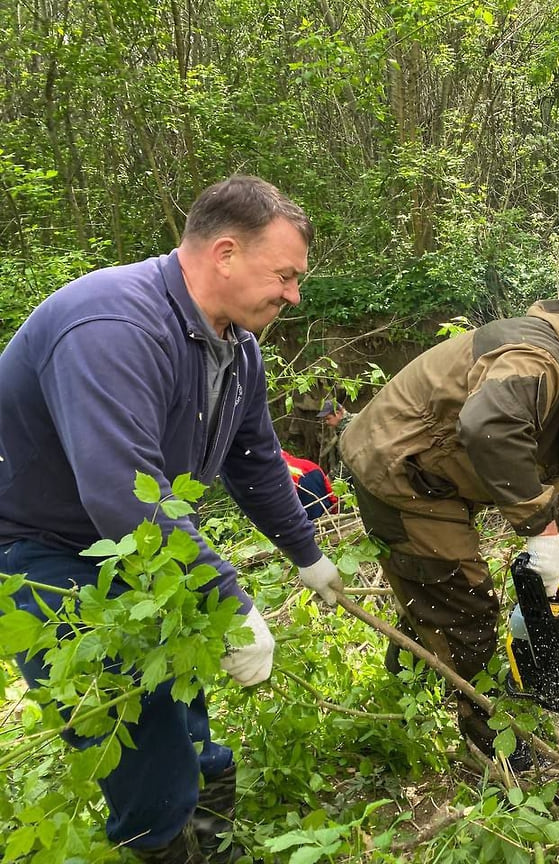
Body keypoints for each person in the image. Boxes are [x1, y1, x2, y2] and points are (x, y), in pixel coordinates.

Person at [0, 175, 345, 863]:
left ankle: (211, 837)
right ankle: (160, 841)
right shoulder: (112, 325)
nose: (293, 295)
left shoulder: (236, 350)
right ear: (224, 253)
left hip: (130, 544)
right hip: (36, 544)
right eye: (285, 275)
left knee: (178, 690)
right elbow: (121, 492)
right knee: (132, 720)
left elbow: (256, 463)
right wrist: (227, 591)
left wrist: (307, 554)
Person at [339, 301, 559, 767]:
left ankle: (408, 677)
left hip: (448, 478)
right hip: (399, 468)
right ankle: (487, 735)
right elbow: (489, 429)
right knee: (466, 606)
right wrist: (539, 530)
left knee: (442, 593)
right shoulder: (537, 357)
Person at [282, 450, 339, 520]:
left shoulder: (280, 474)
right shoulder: (311, 465)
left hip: (304, 521)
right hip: (326, 516)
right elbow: (331, 495)